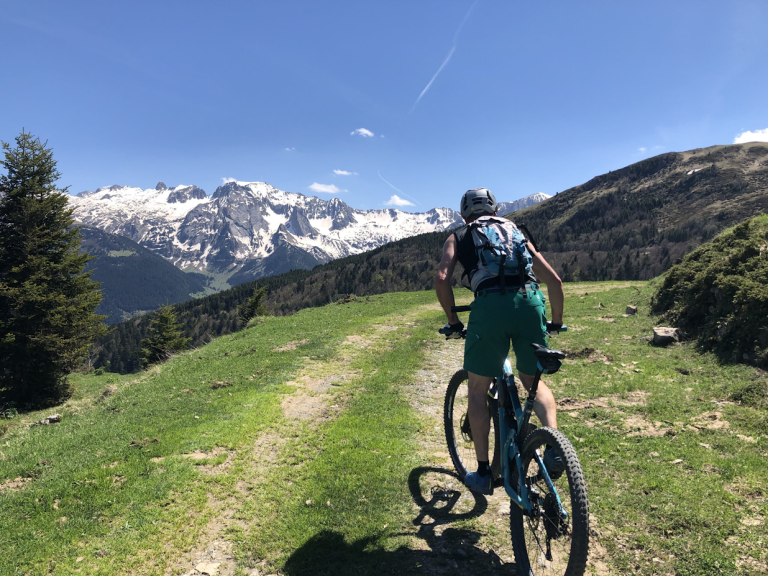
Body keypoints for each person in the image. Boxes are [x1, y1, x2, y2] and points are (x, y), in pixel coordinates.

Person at [435, 188, 565, 495]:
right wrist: (555, 321)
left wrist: (454, 321)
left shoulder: (460, 236)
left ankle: (482, 474)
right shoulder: (516, 230)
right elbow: (555, 281)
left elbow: (442, 278)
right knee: (533, 380)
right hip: (529, 300)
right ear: (495, 208)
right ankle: (554, 445)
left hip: (489, 308)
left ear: (465, 214)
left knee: (478, 390)